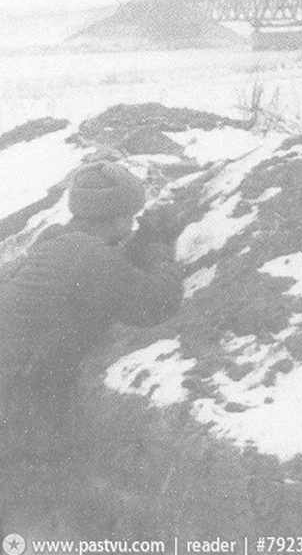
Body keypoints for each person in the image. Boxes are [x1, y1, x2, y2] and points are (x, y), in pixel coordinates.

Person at [0, 161, 185, 539]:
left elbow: (104, 268)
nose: (132, 224)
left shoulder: (56, 241)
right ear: (115, 219)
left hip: (15, 379)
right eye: (129, 217)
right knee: (36, 502)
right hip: (19, 399)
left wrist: (137, 245)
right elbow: (159, 302)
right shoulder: (92, 259)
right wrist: (158, 248)